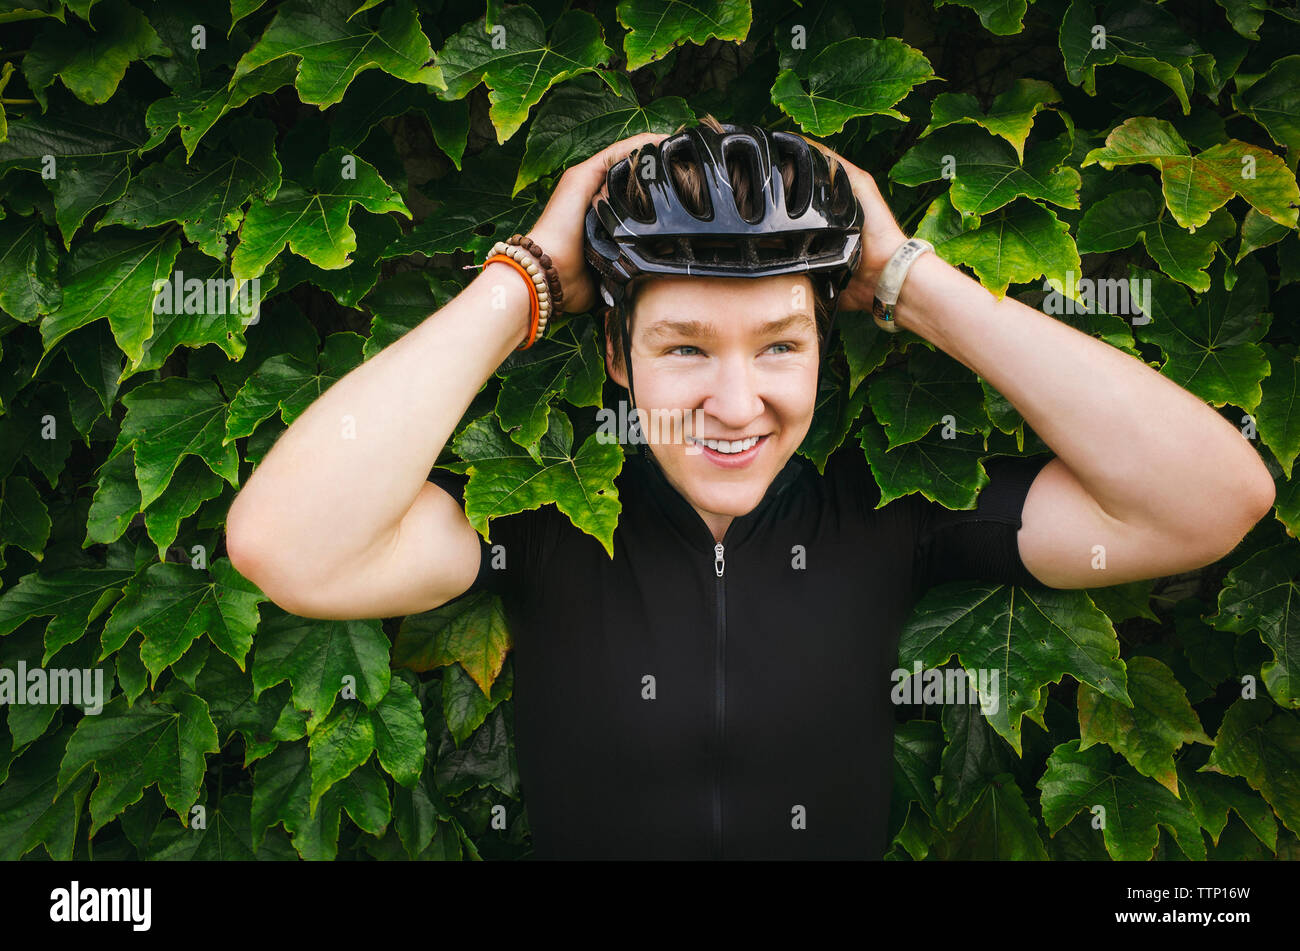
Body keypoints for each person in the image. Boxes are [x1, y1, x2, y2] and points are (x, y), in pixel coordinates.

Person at [226, 116, 1276, 860]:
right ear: (616, 357)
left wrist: (910, 276)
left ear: (829, 340)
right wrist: (528, 279)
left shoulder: (891, 510)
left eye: (780, 345)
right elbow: (291, 547)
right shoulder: (542, 522)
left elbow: (1208, 500)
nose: (737, 405)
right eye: (685, 348)